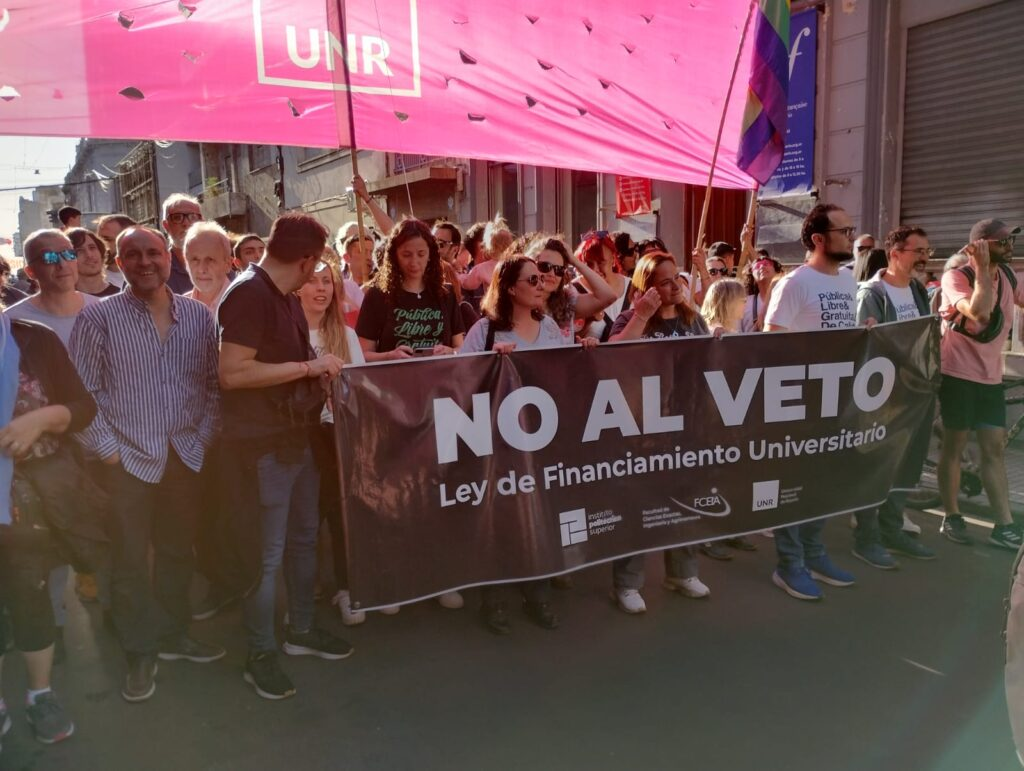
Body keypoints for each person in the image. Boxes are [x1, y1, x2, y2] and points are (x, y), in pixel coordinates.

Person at [70, 226, 224, 703]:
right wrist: (108, 449)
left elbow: (214, 387)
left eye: (153, 252)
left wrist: (202, 437)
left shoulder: (198, 316)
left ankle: (174, 632)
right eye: (132, 254)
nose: (144, 262)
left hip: (184, 454)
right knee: (130, 559)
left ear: (168, 256)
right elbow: (81, 392)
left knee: (179, 551)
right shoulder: (99, 319)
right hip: (126, 459)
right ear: (119, 262)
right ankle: (140, 649)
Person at [218, 212, 353, 701]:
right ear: (307, 259)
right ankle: (260, 653)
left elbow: (285, 370)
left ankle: (299, 630)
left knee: (302, 541)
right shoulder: (248, 294)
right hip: (262, 448)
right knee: (267, 555)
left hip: (298, 440)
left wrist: (312, 376)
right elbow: (232, 373)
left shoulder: (282, 297)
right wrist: (307, 365)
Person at [462, 256, 596, 632]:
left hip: (542, 441)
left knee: (537, 517)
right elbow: (457, 380)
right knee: (501, 520)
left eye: (544, 278)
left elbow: (564, 373)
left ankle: (536, 592)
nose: (542, 284)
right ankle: (495, 600)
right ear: (509, 288)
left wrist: (581, 349)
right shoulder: (485, 331)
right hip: (498, 444)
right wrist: (489, 364)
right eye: (533, 279)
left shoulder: (550, 325)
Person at [0, 310, 96, 745]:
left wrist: (40, 418)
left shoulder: (31, 339)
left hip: (28, 504)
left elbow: (82, 408)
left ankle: (40, 695)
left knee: (31, 595)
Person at [6, 230, 101, 653]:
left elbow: (90, 399)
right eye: (50, 257)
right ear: (30, 271)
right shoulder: (21, 318)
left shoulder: (101, 312)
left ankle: (77, 614)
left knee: (73, 539)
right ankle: (45, 630)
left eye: (69, 253)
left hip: (79, 451)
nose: (63, 263)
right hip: (35, 466)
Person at [763, 203, 860, 601]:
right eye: (844, 230)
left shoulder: (849, 281)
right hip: (799, 405)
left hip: (835, 401)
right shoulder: (794, 283)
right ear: (819, 239)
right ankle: (789, 565)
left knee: (824, 483)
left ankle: (815, 553)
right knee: (794, 486)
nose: (851, 237)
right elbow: (771, 343)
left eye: (851, 229)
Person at [606, 251, 712, 613]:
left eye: (677, 279)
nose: (674, 287)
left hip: (684, 423)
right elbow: (612, 357)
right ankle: (627, 583)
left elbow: (708, 358)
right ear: (647, 287)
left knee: (684, 498)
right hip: (642, 427)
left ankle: (682, 571)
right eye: (664, 282)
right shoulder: (630, 317)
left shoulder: (691, 317)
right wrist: (642, 315)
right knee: (639, 503)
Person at [937, 219, 1024, 550]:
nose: (1010, 246)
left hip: (990, 378)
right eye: (1002, 242)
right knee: (955, 446)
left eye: (1011, 241)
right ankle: (952, 515)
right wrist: (982, 267)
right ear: (982, 245)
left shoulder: (1009, 275)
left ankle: (1003, 525)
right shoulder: (957, 277)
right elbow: (980, 313)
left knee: (994, 449)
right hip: (957, 375)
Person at [853, 225, 937, 565]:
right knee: (878, 464)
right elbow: (861, 346)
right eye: (918, 251)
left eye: (926, 252)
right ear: (895, 253)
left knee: (907, 464)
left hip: (916, 394)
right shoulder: (871, 294)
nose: (924, 258)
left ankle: (892, 529)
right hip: (884, 397)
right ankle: (867, 537)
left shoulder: (917, 290)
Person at [296, 261, 368, 626]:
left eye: (327, 281)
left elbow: (358, 392)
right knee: (306, 518)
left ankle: (346, 587)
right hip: (299, 438)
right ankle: (305, 589)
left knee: (341, 514)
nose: (321, 288)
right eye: (312, 281)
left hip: (337, 435)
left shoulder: (347, 336)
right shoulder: (287, 335)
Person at [356, 219, 465, 362]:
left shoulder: (446, 293)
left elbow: (462, 348)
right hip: (393, 380)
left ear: (430, 255)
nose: (414, 262)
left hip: (440, 379)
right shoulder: (377, 295)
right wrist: (389, 356)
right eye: (406, 255)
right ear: (394, 256)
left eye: (421, 254)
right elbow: (361, 355)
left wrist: (451, 352)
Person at [524, 235, 616, 339]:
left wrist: (574, 261)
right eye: (545, 267)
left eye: (558, 269)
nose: (552, 274)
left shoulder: (566, 302)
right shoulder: (519, 302)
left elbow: (608, 296)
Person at [573, 231, 630, 341]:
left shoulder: (633, 287)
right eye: (589, 264)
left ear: (613, 260)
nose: (595, 270)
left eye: (601, 263)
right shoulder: (574, 290)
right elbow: (569, 338)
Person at [183, 221, 233, 311]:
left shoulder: (246, 304)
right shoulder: (178, 309)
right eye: (195, 259)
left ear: (228, 264)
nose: (202, 269)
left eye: (210, 260)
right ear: (186, 263)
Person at [161, 194, 204, 294]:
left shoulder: (220, 264)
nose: (186, 224)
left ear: (202, 222)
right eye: (177, 217)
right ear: (166, 225)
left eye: (193, 217)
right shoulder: (157, 268)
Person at [68, 228, 120, 298]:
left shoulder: (120, 296)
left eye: (92, 247)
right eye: (79, 250)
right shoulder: (66, 302)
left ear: (101, 252)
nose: (89, 255)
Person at [741, 254, 782, 332]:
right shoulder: (744, 303)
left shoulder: (787, 298)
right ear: (752, 277)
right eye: (757, 266)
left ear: (777, 272)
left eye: (766, 264)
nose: (762, 267)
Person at [94, 213, 136, 289]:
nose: (99, 245)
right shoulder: (92, 280)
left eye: (107, 239)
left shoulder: (149, 275)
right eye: (98, 240)